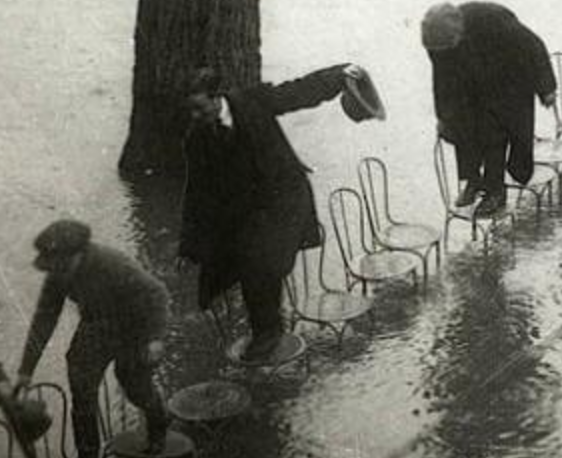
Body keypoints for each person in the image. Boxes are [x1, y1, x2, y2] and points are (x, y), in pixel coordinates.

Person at [180, 62, 368, 361]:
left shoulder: (253, 101)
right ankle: (265, 328)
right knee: (237, 262)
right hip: (249, 209)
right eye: (190, 111)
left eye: (200, 109)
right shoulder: (197, 138)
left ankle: (269, 333)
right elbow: (197, 193)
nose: (195, 117)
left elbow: (299, 91)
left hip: (285, 200)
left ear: (218, 98)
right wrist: (189, 246)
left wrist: (338, 76)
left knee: (262, 262)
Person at [15, 220, 170, 458]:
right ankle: (88, 452)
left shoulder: (113, 263)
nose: (57, 271)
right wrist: (26, 371)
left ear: (79, 254)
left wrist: (156, 338)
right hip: (96, 323)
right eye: (54, 266)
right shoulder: (58, 273)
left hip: (134, 323)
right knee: (80, 382)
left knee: (133, 382)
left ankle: (159, 424)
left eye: (63, 265)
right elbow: (43, 322)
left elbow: (157, 294)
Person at [423, 2, 556, 218]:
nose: (444, 54)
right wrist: (444, 117)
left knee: (495, 132)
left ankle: (495, 191)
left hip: (511, 75)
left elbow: (535, 46)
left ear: (458, 32)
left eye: (449, 47)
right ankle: (473, 181)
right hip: (476, 77)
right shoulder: (438, 42)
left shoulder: (494, 22)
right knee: (461, 124)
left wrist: (547, 88)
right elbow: (442, 81)